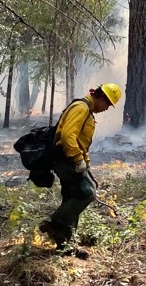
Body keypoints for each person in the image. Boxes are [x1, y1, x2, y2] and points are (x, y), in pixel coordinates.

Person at [38, 83, 122, 252]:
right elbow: (68, 136)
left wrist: (86, 165)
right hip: (65, 159)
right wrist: (77, 160)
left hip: (69, 159)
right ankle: (56, 222)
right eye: (107, 104)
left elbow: (81, 143)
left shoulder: (87, 110)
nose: (106, 109)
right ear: (101, 97)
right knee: (86, 193)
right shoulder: (81, 108)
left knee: (71, 196)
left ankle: (66, 246)